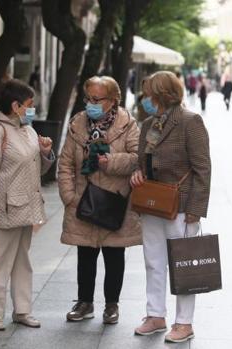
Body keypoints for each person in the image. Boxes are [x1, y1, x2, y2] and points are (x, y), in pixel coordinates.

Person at [130, 71, 211, 343]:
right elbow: (142, 162)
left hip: (182, 205)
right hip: (153, 202)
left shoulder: (190, 122)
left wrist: (196, 209)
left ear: (162, 94)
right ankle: (155, 315)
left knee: (184, 264)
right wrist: (137, 174)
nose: (145, 99)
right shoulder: (149, 124)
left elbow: (203, 169)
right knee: (154, 262)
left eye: (149, 93)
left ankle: (184, 322)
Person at [58, 76, 142, 325]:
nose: (90, 104)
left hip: (114, 202)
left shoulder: (128, 125)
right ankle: (84, 302)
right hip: (83, 201)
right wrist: (69, 196)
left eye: (97, 99)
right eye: (88, 99)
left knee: (114, 256)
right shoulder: (78, 123)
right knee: (85, 255)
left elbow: (138, 158)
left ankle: (111, 305)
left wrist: (110, 161)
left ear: (113, 100)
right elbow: (64, 164)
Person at [0, 79, 54, 331]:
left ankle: (23, 310)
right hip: (5, 208)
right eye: (29, 105)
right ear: (15, 105)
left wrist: (44, 153)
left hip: (28, 206)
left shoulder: (29, 131)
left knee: (23, 261)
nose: (32, 110)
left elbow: (37, 169)